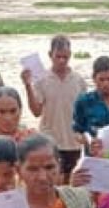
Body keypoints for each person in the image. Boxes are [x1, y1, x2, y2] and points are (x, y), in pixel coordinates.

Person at [22, 35, 86, 180]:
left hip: (73, 142)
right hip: (50, 141)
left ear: (70, 55)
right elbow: (36, 112)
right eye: (58, 57)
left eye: (65, 57)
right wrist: (27, 86)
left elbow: (84, 114)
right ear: (50, 55)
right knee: (52, 181)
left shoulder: (79, 81)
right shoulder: (42, 80)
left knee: (72, 184)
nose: (62, 61)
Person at [72, 55, 109, 150]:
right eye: (101, 79)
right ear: (94, 78)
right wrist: (87, 140)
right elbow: (76, 132)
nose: (105, 84)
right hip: (93, 155)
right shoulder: (84, 102)